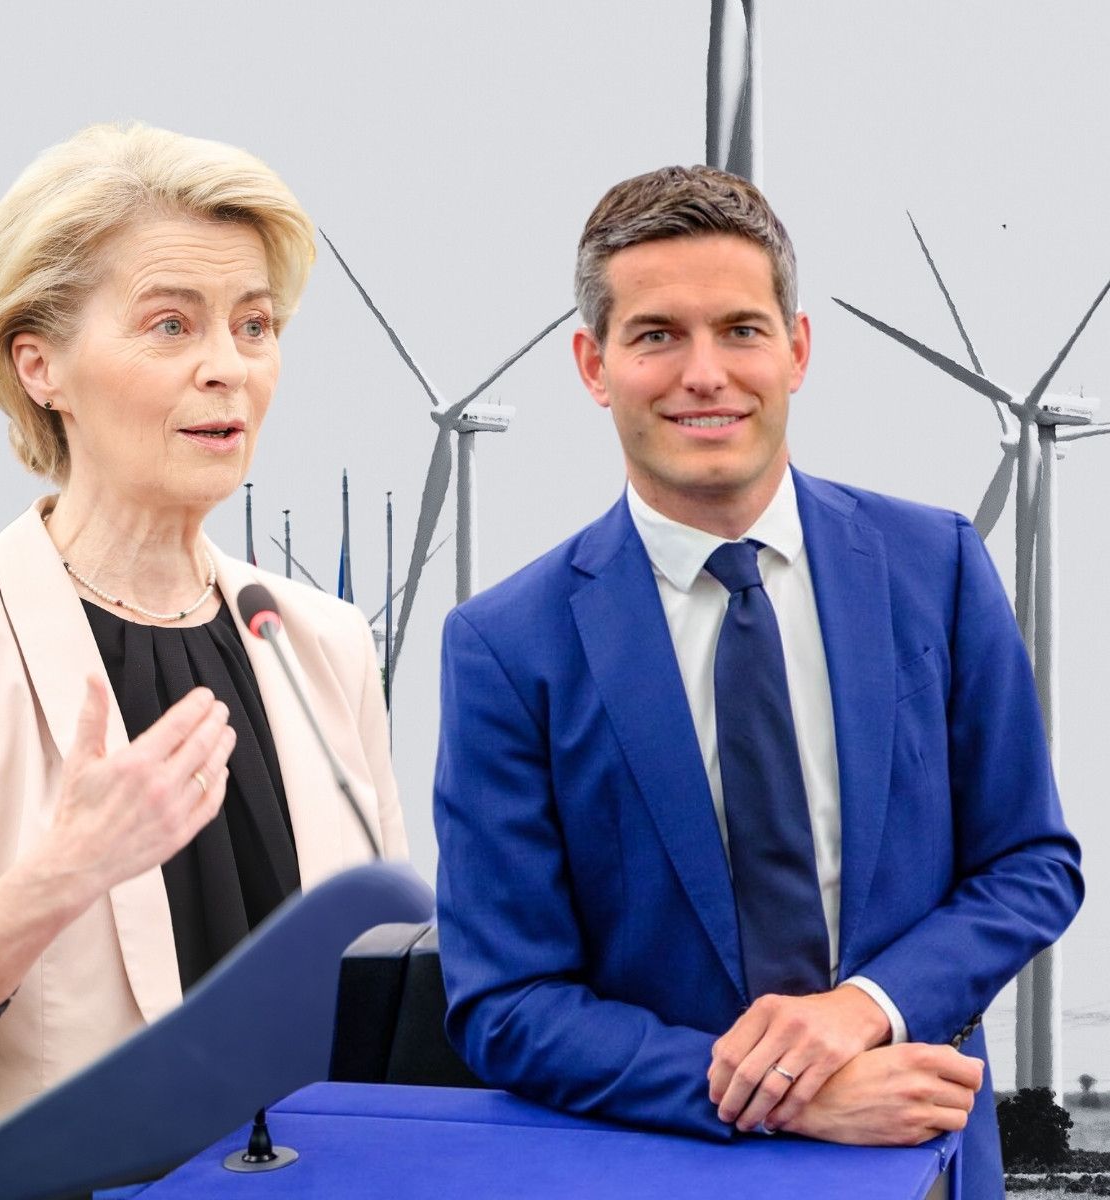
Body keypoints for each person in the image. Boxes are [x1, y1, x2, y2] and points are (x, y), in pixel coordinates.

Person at [433, 165, 1082, 1194]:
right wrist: (782, 1091)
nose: (705, 373)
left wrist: (864, 1008)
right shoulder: (507, 645)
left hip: (923, 1162)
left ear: (798, 348)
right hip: (660, 1169)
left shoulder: (939, 569)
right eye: (656, 336)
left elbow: (1032, 866)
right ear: (593, 365)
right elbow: (505, 1003)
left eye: (740, 329)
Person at [0, 122, 406, 1131]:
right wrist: (57, 877)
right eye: (172, 325)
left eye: (254, 326)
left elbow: (387, 973)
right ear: (41, 367)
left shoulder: (318, 644)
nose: (228, 368)